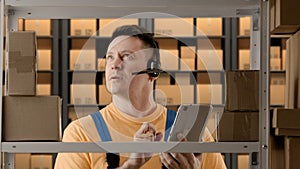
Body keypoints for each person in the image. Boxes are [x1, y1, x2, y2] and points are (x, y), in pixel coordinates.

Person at [55, 25, 227, 169]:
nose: (114, 65)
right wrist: (131, 165)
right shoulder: (81, 133)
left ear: (153, 71)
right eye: (110, 57)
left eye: (127, 56)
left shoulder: (193, 135)